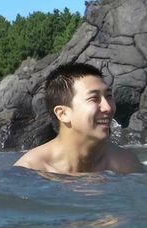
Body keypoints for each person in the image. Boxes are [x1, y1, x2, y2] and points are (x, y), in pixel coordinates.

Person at [14, 62, 144, 174]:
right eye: (94, 98)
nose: (108, 108)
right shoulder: (31, 170)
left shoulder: (126, 164)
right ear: (63, 114)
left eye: (109, 96)